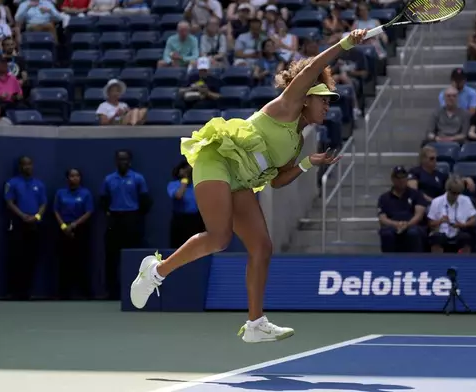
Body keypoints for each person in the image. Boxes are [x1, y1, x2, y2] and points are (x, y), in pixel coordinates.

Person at [129, 29, 368, 343]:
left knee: (261, 247)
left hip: (242, 179)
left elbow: (278, 180)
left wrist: (309, 163)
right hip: (218, 160)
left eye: (329, 102)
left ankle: (255, 324)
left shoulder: (297, 142)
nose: (327, 106)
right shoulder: (286, 106)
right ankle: (156, 272)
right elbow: (311, 69)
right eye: (323, 100)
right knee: (219, 237)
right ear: (306, 96)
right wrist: (345, 43)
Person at [101, 150, 152, 300]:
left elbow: (145, 201)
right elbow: (103, 200)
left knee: (134, 255)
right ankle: (112, 292)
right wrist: (110, 214)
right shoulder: (109, 179)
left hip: (132, 219)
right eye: (120, 159)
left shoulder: (138, 178)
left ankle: (136, 291)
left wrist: (136, 216)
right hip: (115, 219)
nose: (122, 162)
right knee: (111, 257)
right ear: (116, 161)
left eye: (125, 159)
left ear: (130, 161)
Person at [4, 156, 47, 300]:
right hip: (18, 224)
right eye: (24, 165)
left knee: (31, 258)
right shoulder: (12, 183)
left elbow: (43, 204)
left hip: (34, 224)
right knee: (17, 258)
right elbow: (9, 202)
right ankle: (15, 292)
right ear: (20, 166)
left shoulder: (39, 184)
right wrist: (22, 216)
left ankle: (27, 292)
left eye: (29, 164)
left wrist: (36, 217)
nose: (27, 167)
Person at [54, 168, 94, 299]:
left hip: (80, 229)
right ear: (67, 178)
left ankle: (84, 293)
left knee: (81, 260)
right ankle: (63, 293)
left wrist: (74, 225)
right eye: (71, 176)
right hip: (63, 229)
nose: (74, 178)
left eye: (77, 176)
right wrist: (64, 226)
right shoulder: (60, 193)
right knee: (64, 261)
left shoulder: (85, 193)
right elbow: (56, 210)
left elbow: (88, 212)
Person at [377, 166, 427, 253]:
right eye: (398, 178)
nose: (401, 181)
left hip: (412, 225)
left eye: (403, 177)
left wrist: (407, 224)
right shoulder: (384, 198)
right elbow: (382, 218)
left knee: (413, 233)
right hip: (393, 226)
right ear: (393, 179)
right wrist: (396, 224)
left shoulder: (416, 194)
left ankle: (416, 262)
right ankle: (388, 261)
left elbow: (419, 215)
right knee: (386, 233)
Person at [167, 159, 205, 248]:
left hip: (196, 220)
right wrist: (185, 180)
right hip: (180, 220)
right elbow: (179, 195)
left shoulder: (197, 185)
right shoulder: (173, 184)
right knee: (178, 247)